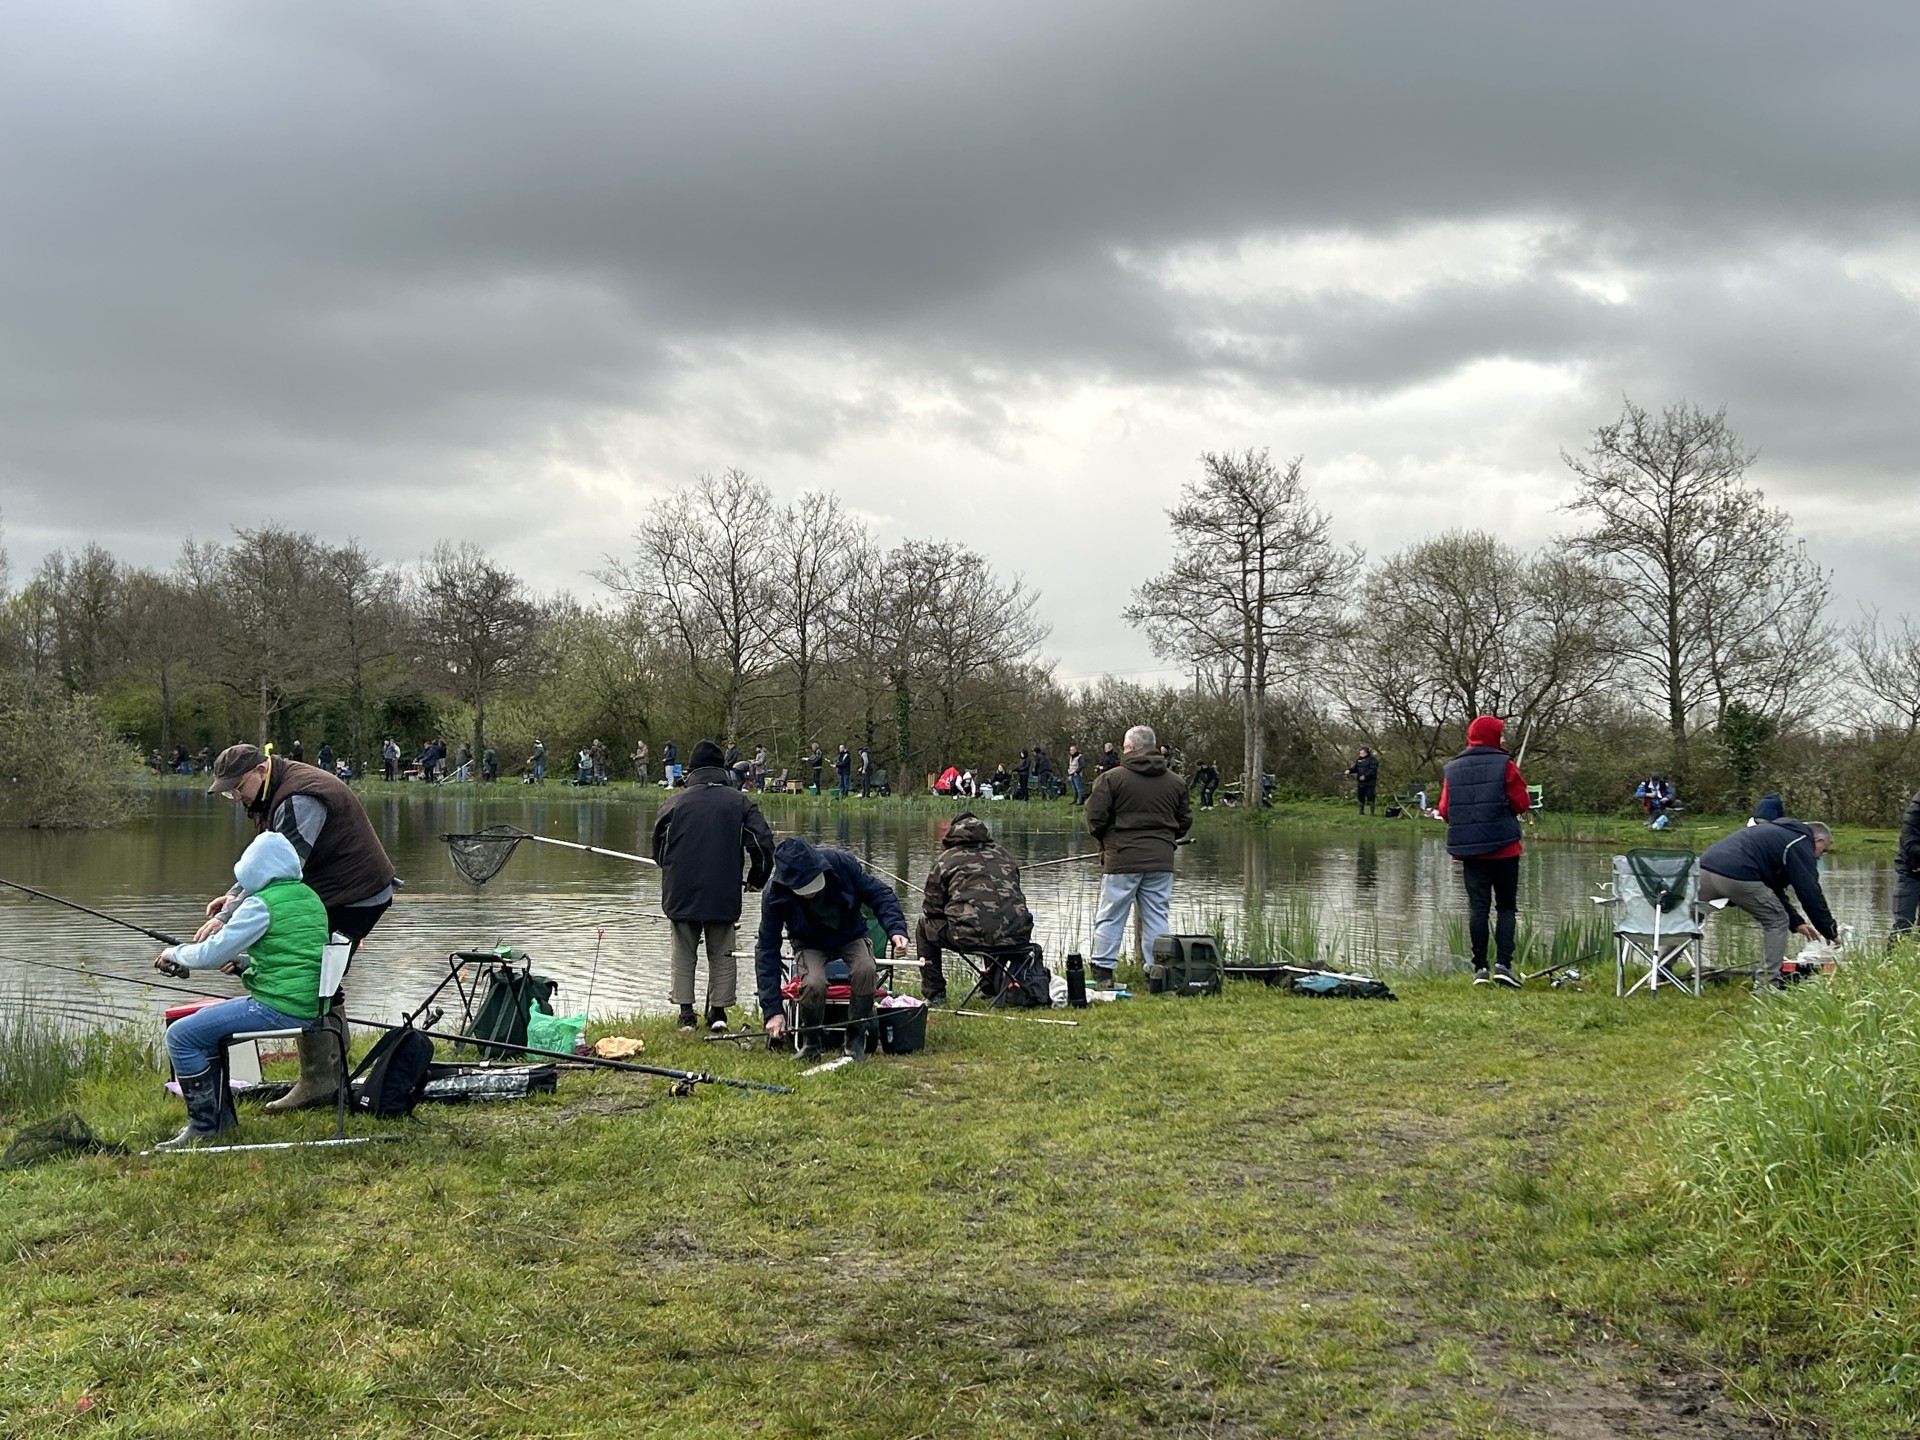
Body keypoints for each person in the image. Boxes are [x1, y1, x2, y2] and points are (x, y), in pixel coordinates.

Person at [203, 743, 397, 1111]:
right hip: (331, 894)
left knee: (316, 979)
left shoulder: (299, 798)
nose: (235, 797)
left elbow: (282, 870)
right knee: (322, 979)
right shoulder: (271, 792)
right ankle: (326, 1079)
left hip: (355, 895)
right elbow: (263, 859)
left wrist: (226, 919)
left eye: (237, 787)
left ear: (261, 771)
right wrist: (231, 898)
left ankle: (321, 1083)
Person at [152, 832, 334, 1147]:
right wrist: (246, 964)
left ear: (253, 870)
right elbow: (295, 957)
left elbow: (210, 954)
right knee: (201, 1036)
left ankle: (204, 1127)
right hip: (307, 1004)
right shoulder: (309, 897)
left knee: (180, 1036)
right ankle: (220, 1122)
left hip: (279, 1007)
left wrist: (175, 953)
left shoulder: (261, 905)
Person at [652, 739, 778, 1034]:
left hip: (680, 891)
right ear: (722, 769)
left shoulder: (674, 803)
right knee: (722, 950)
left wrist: (669, 871)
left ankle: (686, 1014)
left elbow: (658, 848)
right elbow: (762, 844)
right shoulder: (739, 802)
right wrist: (757, 879)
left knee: (683, 951)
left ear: (692, 770)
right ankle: (718, 1013)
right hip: (723, 890)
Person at [755, 837, 909, 1062]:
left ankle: (855, 1040)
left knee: (865, 969)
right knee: (813, 983)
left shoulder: (841, 863)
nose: (810, 893)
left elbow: (880, 894)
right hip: (809, 943)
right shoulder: (774, 894)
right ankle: (811, 1043)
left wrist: (897, 931)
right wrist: (773, 1011)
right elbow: (767, 949)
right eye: (803, 889)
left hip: (850, 934)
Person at [1085, 725, 1192, 987]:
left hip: (1122, 858)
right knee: (1157, 915)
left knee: (1112, 914)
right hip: (1161, 859)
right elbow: (1184, 821)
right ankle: (1157, 973)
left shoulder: (1111, 779)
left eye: (1124, 746)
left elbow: (1095, 818)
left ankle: (1103, 971)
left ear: (1130, 747)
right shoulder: (1176, 782)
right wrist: (1165, 839)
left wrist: (1106, 840)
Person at [1436, 715, 1531, 988]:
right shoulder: (1506, 765)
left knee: (1478, 908)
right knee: (1506, 907)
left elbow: (1445, 811)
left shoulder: (1452, 768)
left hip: (1472, 851)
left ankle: (1480, 969)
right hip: (1504, 848)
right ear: (1493, 736)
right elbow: (1522, 803)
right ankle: (1503, 965)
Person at [1699, 816, 1840, 989]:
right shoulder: (1801, 843)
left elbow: (1773, 889)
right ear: (1818, 840)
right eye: (1823, 851)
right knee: (1777, 921)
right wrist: (1830, 931)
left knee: (1686, 919)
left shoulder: (1779, 834)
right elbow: (1809, 891)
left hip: (1704, 869)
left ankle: (1661, 970)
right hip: (1738, 875)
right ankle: (1766, 985)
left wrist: (1797, 922)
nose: (1820, 856)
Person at [916, 812, 1034, 1006]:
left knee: (924, 926)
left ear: (953, 832)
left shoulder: (946, 859)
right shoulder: (1004, 855)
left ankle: (935, 993)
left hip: (970, 937)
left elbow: (931, 909)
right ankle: (991, 987)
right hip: (1018, 935)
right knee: (995, 920)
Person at [1893, 789, 1920, 941]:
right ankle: (1890, 962)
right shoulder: (1914, 812)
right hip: (1910, 872)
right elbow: (1910, 845)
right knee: (1903, 924)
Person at [1347, 747, 1379, 815]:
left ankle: (1372, 812)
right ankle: (1361, 812)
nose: (1360, 754)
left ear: (1366, 753)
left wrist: (1365, 776)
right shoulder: (1358, 760)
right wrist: (1349, 770)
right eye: (1360, 753)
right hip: (1360, 782)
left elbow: (1373, 770)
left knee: (1370, 795)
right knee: (1360, 796)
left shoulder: (1372, 760)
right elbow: (1355, 768)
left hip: (1370, 782)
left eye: (1361, 753)